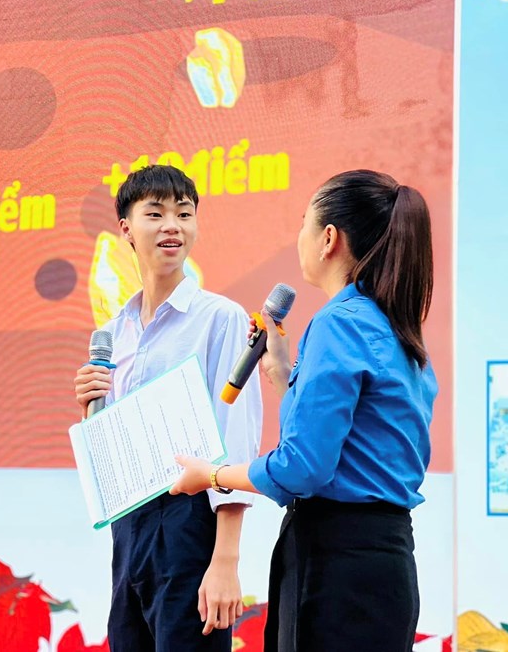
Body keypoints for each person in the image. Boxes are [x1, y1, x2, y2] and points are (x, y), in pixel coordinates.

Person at [171, 169, 439, 652]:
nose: (299, 237)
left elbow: (302, 468)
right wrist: (281, 371)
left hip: (335, 566)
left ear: (329, 238)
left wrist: (211, 475)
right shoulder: (395, 327)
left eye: (303, 223)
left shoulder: (339, 323)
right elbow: (348, 442)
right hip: (386, 560)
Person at [75, 165, 263, 651]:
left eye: (184, 213)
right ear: (126, 229)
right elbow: (113, 450)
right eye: (155, 214)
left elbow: (236, 437)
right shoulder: (114, 333)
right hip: (129, 528)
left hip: (190, 522)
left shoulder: (220, 319)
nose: (172, 226)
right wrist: (89, 414)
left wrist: (225, 561)